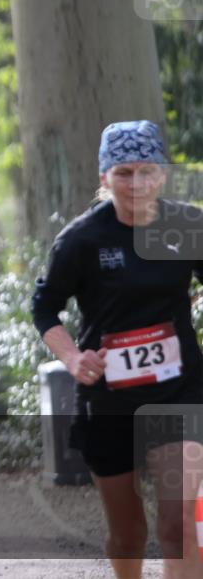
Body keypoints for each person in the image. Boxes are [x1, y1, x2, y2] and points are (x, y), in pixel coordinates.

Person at [32, 120, 203, 579]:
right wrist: (73, 358)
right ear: (104, 177)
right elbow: (44, 307)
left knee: (179, 524)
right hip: (108, 397)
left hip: (178, 391)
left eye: (147, 171)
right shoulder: (81, 239)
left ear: (162, 174)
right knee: (128, 533)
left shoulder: (187, 225)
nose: (136, 183)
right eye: (124, 172)